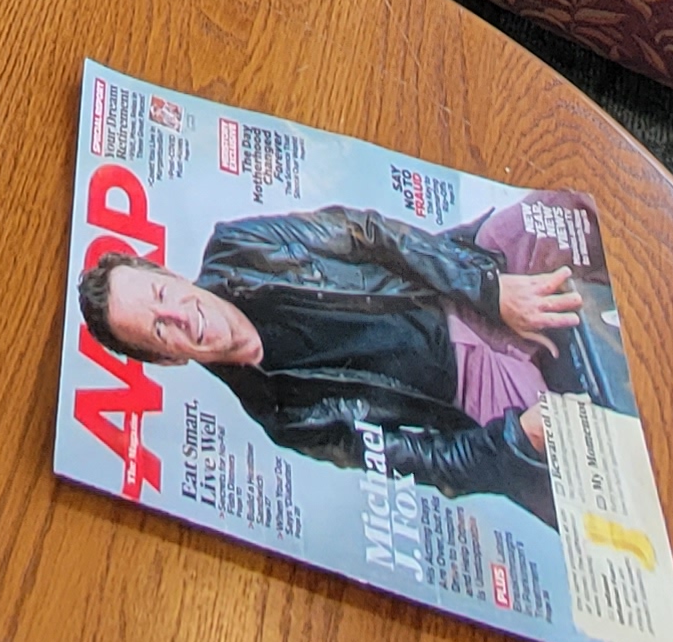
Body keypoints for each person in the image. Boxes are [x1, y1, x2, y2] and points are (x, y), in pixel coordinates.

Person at [78, 203, 580, 516]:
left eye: (163, 294)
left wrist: (488, 289)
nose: (180, 316)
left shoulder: (240, 245)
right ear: (167, 359)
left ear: (170, 273)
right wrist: (517, 438)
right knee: (582, 448)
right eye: (159, 328)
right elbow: (417, 463)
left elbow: (368, 233)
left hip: (453, 280)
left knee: (564, 213)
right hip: (472, 388)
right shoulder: (285, 416)